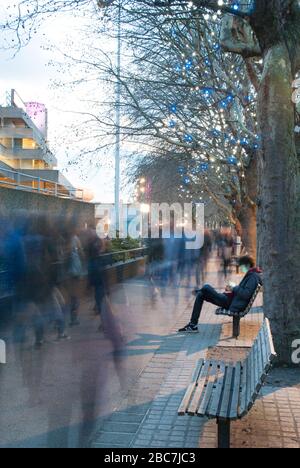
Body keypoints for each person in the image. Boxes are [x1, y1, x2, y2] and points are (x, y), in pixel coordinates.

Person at [178, 255, 263, 333]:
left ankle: (200, 291)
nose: (240, 268)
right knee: (201, 295)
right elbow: (243, 291)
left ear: (247, 265)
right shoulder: (252, 274)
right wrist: (231, 288)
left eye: (241, 266)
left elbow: (246, 294)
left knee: (206, 287)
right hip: (230, 299)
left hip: (230, 303)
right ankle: (193, 325)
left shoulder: (253, 277)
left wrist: (234, 287)